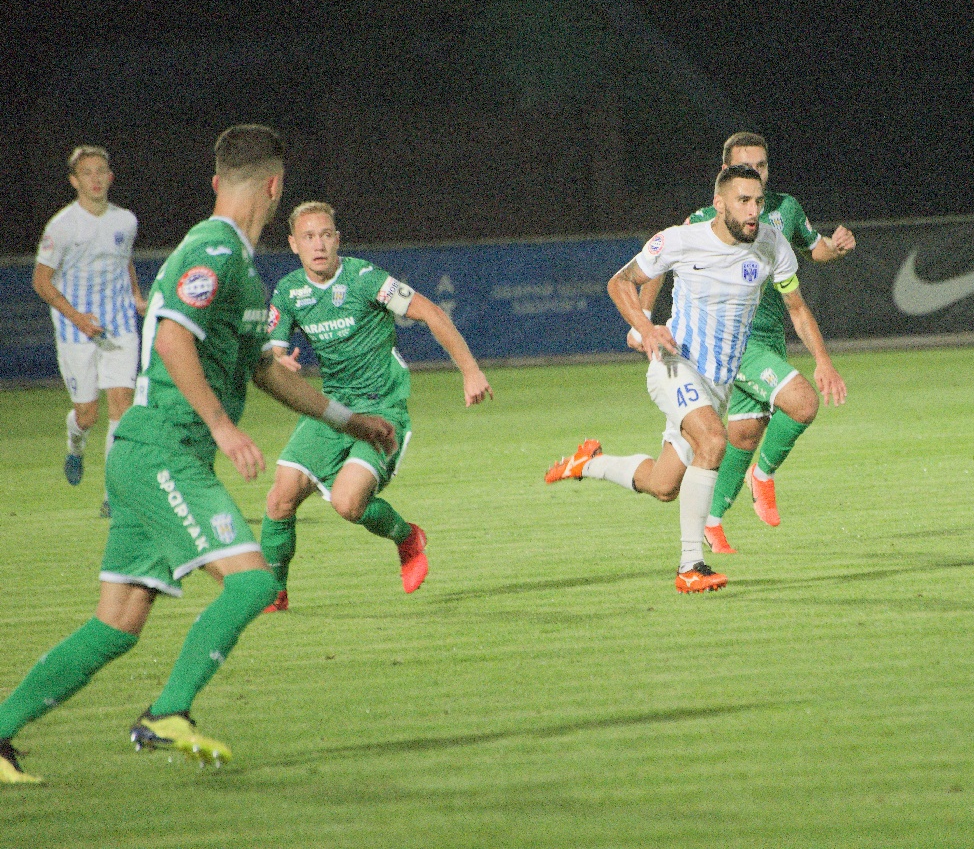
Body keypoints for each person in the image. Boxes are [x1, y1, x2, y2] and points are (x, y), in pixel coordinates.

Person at [0, 125, 396, 785]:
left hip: (147, 454)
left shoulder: (240, 269)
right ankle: (167, 712)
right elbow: (172, 338)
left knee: (118, 625)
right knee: (254, 581)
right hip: (164, 450)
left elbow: (265, 371)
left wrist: (348, 419)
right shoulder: (213, 250)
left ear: (218, 181)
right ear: (276, 187)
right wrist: (222, 426)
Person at [545, 163, 801, 593]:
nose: (753, 210)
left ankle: (588, 462)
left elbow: (796, 304)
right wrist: (646, 329)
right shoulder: (682, 240)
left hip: (717, 386)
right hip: (674, 366)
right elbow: (620, 282)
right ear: (719, 204)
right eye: (743, 201)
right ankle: (690, 566)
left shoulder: (772, 244)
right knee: (714, 440)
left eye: (758, 201)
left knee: (663, 486)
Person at [259, 200, 492, 611]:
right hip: (332, 409)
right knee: (280, 498)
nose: (319, 245)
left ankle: (407, 537)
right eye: (309, 237)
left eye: (326, 235)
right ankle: (272, 593)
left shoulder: (366, 279)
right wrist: (282, 362)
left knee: (348, 504)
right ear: (293, 244)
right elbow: (274, 353)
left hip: (381, 407)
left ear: (337, 239)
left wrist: (470, 371)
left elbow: (431, 312)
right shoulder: (289, 291)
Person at [633, 132, 851, 554]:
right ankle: (760, 478)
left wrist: (835, 249)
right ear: (726, 173)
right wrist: (644, 321)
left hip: (770, 336)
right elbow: (655, 260)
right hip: (735, 343)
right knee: (801, 402)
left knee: (746, 434)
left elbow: (814, 252)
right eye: (747, 167)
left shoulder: (785, 211)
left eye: (762, 166)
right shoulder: (704, 219)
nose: (757, 174)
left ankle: (712, 520)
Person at [32, 146, 147, 516]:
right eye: (87, 173)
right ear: (74, 181)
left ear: (110, 177)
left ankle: (114, 495)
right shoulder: (62, 226)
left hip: (120, 325)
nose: (95, 179)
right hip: (75, 330)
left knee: (122, 406)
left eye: (101, 171)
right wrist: (77, 317)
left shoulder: (125, 220)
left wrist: (135, 296)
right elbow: (41, 281)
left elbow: (124, 260)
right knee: (87, 415)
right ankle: (75, 442)